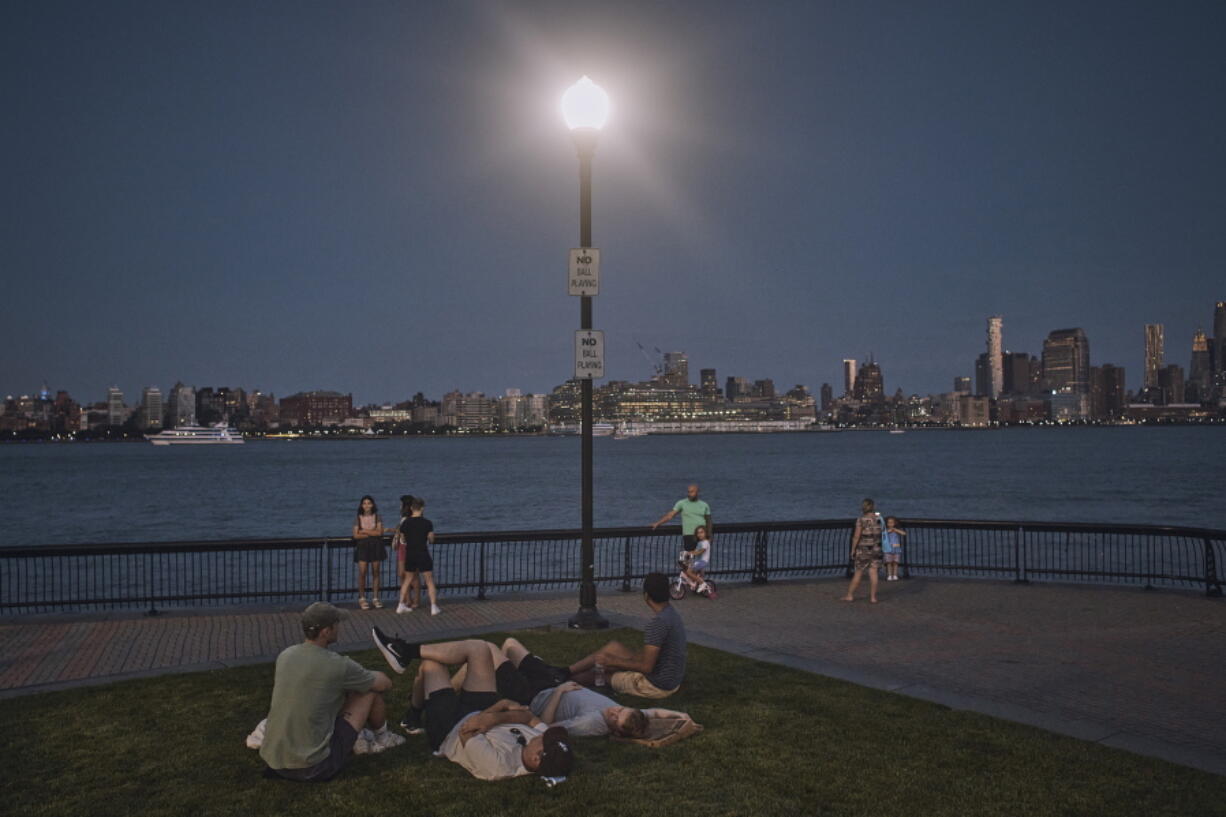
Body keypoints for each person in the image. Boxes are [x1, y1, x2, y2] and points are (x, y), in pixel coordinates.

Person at [367, 635, 573, 781]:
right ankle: (405, 652)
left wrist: (501, 709)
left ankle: (413, 713)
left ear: (536, 759)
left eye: (543, 741)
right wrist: (496, 717)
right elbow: (528, 717)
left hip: (450, 729)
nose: (542, 734)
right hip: (483, 711)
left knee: (432, 664)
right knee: (479, 648)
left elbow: (468, 729)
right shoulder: (544, 745)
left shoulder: (498, 766)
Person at [259, 602, 401, 782]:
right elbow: (384, 684)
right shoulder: (338, 665)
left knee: (338, 690)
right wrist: (365, 676)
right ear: (326, 631)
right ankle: (383, 737)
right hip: (314, 766)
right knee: (369, 692)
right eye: (336, 624)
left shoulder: (286, 655)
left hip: (275, 762)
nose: (338, 627)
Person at [566, 573, 687, 699]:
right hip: (669, 678)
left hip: (655, 685)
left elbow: (646, 667)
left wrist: (613, 661)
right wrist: (619, 661)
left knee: (596, 674)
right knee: (613, 648)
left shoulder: (658, 623)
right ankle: (566, 671)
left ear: (646, 596)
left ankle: (561, 681)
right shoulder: (671, 614)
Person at [396, 497, 440, 615]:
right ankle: (434, 607)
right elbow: (431, 538)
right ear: (422, 508)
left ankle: (400, 605)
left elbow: (403, 538)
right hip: (422, 553)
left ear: (411, 508)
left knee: (407, 579)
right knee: (429, 580)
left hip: (410, 553)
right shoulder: (427, 523)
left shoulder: (405, 522)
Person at [842, 498, 884, 603]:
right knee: (874, 573)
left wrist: (853, 550)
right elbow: (880, 521)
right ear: (873, 507)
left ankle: (850, 595)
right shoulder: (879, 518)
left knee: (858, 573)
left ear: (863, 507)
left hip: (864, 549)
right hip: (877, 548)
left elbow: (856, 536)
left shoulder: (861, 520)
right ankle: (873, 597)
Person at [352, 495, 391, 610]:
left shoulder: (377, 517)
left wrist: (364, 531)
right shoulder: (358, 518)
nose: (367, 505)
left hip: (376, 546)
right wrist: (372, 532)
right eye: (364, 503)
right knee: (362, 572)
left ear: (373, 505)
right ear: (361, 505)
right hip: (363, 547)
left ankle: (375, 597)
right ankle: (362, 598)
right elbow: (355, 535)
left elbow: (379, 533)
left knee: (376, 572)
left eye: (369, 503)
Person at [652, 483, 712, 553]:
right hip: (689, 535)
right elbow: (670, 515)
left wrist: (709, 536)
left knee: (703, 558)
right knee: (688, 558)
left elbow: (709, 521)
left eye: (692, 492)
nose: (689, 494)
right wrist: (658, 523)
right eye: (688, 492)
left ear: (697, 492)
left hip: (702, 535)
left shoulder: (704, 505)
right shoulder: (682, 503)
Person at [680, 524, 714, 595]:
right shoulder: (699, 542)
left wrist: (692, 553)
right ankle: (694, 583)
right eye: (698, 533)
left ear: (706, 533)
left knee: (689, 571)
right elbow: (695, 551)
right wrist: (688, 552)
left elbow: (700, 551)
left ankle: (702, 583)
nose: (700, 534)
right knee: (685, 565)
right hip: (698, 561)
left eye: (702, 532)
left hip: (702, 561)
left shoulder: (705, 542)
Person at [392, 494, 415, 588]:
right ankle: (407, 599)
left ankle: (412, 600)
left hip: (407, 547)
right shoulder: (404, 519)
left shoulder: (410, 519)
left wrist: (398, 531)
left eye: (401, 504)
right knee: (402, 574)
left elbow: (405, 533)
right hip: (402, 547)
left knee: (409, 575)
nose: (400, 506)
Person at [883, 516, 907, 581]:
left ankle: (895, 575)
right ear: (886, 523)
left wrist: (896, 530)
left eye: (892, 523)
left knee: (896, 562)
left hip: (896, 548)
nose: (890, 524)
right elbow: (882, 534)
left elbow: (904, 533)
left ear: (895, 523)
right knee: (889, 562)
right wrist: (889, 531)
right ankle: (890, 575)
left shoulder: (896, 530)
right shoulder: (885, 530)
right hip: (888, 548)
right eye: (889, 523)